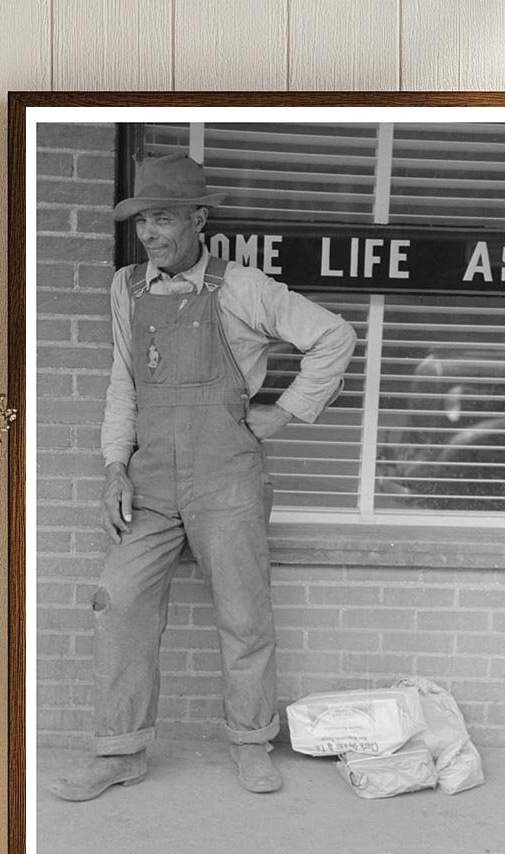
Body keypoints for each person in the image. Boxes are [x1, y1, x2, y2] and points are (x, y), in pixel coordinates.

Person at [49, 153, 356, 801]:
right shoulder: (126, 288)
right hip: (151, 477)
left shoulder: (243, 288)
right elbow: (122, 384)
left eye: (162, 218)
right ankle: (120, 751)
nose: (150, 234)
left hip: (228, 477)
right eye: (141, 223)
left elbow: (333, 336)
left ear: (199, 219)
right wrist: (114, 469)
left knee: (244, 613)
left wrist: (287, 413)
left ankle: (250, 741)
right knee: (119, 598)